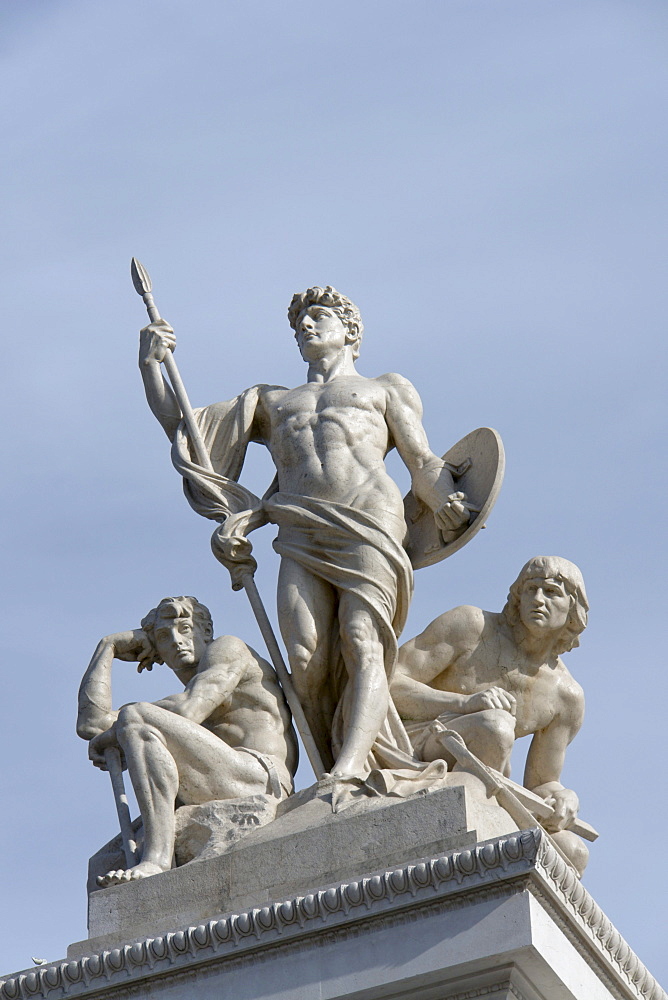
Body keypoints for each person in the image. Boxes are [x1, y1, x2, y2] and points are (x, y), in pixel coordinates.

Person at [138, 286, 469, 779]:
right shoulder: (271, 401)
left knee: (362, 639)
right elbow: (185, 429)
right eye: (299, 324)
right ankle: (328, 766)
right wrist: (151, 364)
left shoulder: (384, 388)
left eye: (318, 317)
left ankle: (352, 767)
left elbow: (421, 460)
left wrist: (444, 498)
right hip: (299, 527)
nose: (306, 328)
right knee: (304, 656)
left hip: (369, 519)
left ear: (350, 330)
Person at [77, 596, 298, 885]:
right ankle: (157, 854)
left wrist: (118, 731)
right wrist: (107, 647)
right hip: (219, 776)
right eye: (163, 636)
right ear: (154, 650)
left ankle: (156, 860)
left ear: (205, 631)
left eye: (185, 628)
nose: (177, 640)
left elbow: (189, 709)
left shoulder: (229, 648)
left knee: (135, 717)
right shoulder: (180, 702)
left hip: (260, 775)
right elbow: (91, 723)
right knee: (135, 721)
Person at [392, 556, 589, 872]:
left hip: (489, 775)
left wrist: (563, 798)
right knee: (495, 726)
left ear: (573, 608)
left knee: (571, 854)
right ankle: (475, 823)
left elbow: (542, 782)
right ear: (517, 596)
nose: (538, 600)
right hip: (413, 743)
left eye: (552, 592)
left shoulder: (566, 696)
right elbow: (387, 684)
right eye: (531, 589)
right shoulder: (471, 626)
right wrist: (462, 704)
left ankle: (484, 822)